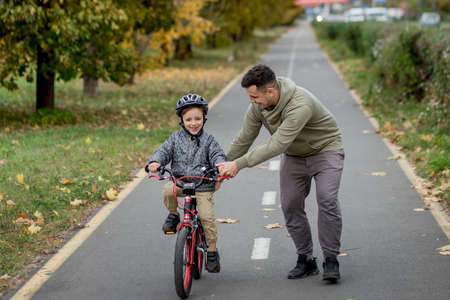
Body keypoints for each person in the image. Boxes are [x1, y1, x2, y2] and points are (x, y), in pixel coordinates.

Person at [217, 64, 345, 282]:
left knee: (327, 199)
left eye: (254, 96)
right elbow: (244, 138)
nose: (251, 101)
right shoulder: (258, 107)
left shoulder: (300, 104)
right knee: (290, 204)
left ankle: (331, 259)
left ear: (270, 91)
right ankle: (305, 259)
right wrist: (221, 164)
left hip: (326, 150)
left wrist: (238, 165)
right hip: (295, 156)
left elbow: (277, 144)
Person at [145, 93, 226, 273]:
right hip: (181, 182)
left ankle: (212, 252)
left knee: (206, 217)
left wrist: (220, 165)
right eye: (189, 119)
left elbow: (217, 155)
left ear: (204, 118)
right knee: (168, 191)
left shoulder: (209, 140)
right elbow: (163, 152)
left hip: (203, 185)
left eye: (198, 118)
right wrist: (154, 163)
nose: (193, 123)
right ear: (181, 120)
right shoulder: (175, 139)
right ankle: (174, 215)